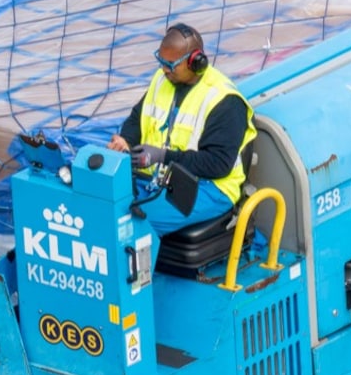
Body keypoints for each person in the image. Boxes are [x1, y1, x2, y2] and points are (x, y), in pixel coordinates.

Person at [108, 23, 256, 236]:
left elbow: (218, 164)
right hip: (159, 178)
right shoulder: (163, 80)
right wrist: (126, 141)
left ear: (195, 62)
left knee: (131, 227)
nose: (163, 69)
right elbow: (136, 117)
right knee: (104, 208)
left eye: (171, 64)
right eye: (161, 61)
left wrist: (163, 156)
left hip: (209, 188)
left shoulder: (225, 101)